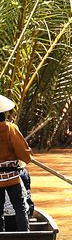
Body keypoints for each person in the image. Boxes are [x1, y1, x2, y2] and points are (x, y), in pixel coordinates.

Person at [0, 94, 32, 231]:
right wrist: (26, 157)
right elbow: (24, 153)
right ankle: (25, 236)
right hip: (12, 178)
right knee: (20, 208)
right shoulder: (10, 128)